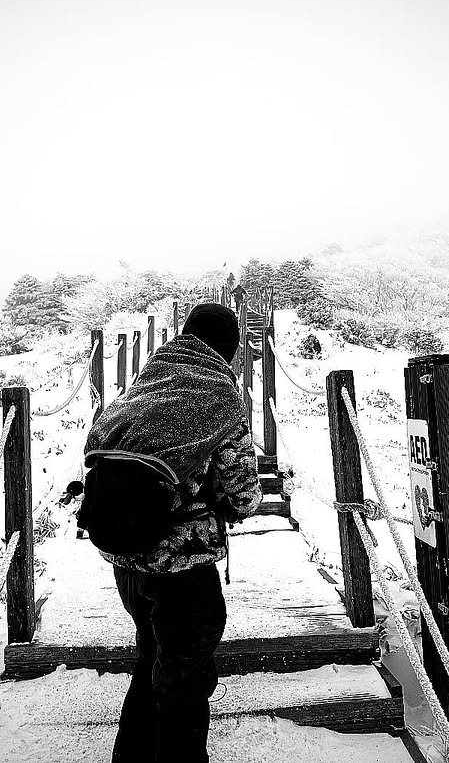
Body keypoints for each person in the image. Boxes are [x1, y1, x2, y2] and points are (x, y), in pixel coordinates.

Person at [82, 303, 263, 763]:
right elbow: (243, 493)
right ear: (230, 347)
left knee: (152, 662)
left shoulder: (148, 381)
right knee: (184, 677)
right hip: (182, 567)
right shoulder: (219, 395)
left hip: (125, 556)